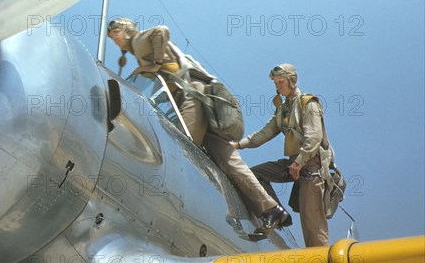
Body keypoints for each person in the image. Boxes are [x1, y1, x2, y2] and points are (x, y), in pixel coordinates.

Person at [107, 18, 289, 235]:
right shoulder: (138, 49)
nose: (115, 38)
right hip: (202, 101)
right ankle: (271, 209)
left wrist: (153, 63)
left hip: (192, 99)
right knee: (228, 160)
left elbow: (161, 31)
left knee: (178, 149)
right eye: (111, 36)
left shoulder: (138, 41)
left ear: (127, 30)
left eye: (116, 32)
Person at [234, 64, 330, 247]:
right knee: (254, 175)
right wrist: (238, 145)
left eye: (281, 81)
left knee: (313, 231)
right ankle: (276, 212)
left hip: (311, 169)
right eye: (275, 83)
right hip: (294, 165)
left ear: (292, 80)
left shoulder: (308, 103)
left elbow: (314, 137)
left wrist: (299, 162)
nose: (278, 86)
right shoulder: (283, 110)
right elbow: (263, 134)